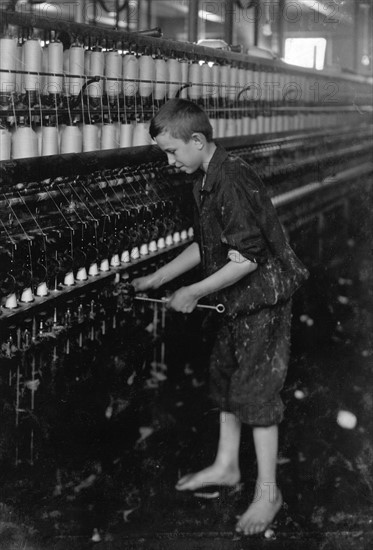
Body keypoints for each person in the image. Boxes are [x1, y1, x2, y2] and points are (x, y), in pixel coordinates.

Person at [132, 99, 308, 536]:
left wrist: (191, 291)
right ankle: (227, 466)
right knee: (228, 381)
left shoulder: (230, 179)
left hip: (261, 301)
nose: (170, 162)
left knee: (257, 393)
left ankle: (269, 494)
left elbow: (246, 257)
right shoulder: (206, 178)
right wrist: (158, 277)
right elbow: (206, 245)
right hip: (238, 302)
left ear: (198, 140)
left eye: (173, 152)